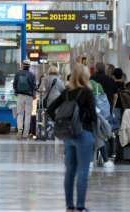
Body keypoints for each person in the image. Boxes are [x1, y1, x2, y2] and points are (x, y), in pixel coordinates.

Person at [47, 63, 96, 212]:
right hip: (84, 134)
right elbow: (93, 115)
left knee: (70, 171)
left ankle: (70, 206)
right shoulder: (87, 92)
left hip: (69, 135)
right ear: (85, 76)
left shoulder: (67, 92)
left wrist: (59, 121)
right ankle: (80, 206)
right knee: (83, 171)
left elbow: (50, 109)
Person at [13, 59, 36, 139]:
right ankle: (25, 133)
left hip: (20, 96)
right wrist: (34, 94)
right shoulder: (32, 75)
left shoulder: (18, 74)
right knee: (28, 115)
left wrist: (16, 91)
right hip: (29, 96)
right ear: (29, 66)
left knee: (20, 114)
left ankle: (19, 130)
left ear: (23, 65)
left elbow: (14, 84)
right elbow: (34, 86)